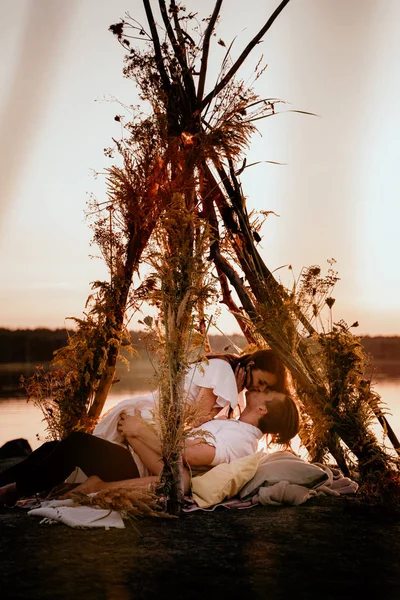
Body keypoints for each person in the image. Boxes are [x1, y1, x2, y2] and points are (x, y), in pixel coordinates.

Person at [0, 389, 300, 506]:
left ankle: (10, 491)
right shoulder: (235, 425)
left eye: (268, 392)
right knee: (57, 446)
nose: (260, 388)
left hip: (142, 465)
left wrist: (139, 431)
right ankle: (8, 485)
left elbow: (191, 455)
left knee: (78, 444)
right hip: (142, 455)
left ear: (263, 408)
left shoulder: (241, 439)